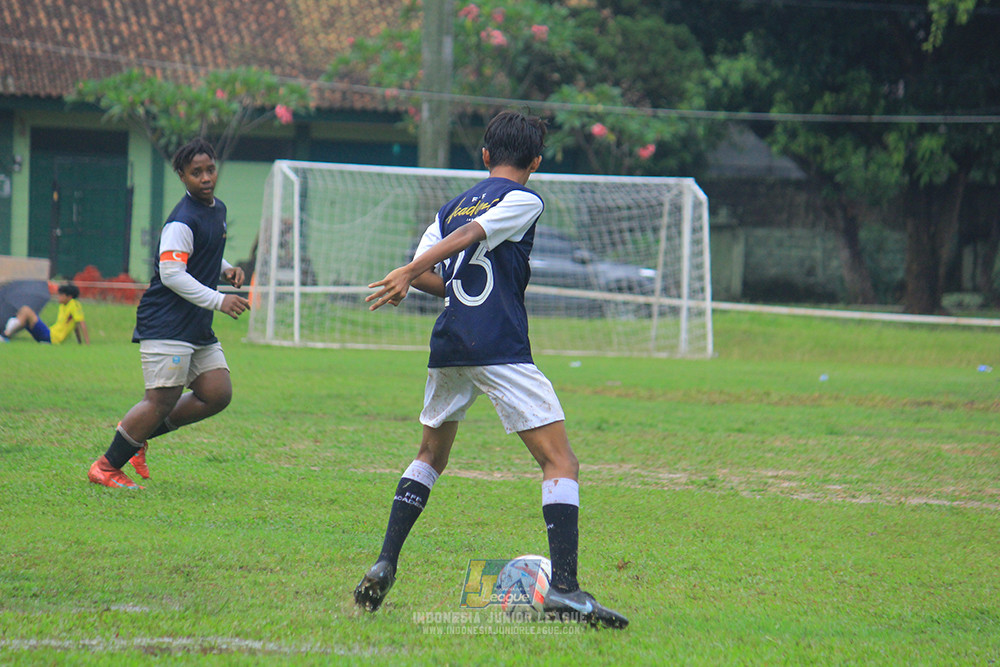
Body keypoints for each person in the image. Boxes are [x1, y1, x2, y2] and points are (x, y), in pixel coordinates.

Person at [355, 110, 629, 629]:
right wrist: (413, 270)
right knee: (561, 463)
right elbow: (471, 239)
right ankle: (565, 590)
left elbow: (437, 274)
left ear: (484, 155)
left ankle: (385, 559)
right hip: (498, 343)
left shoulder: (447, 208)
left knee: (429, 456)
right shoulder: (524, 198)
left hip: (450, 341)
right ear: (537, 162)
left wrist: (412, 271)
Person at [87, 137, 250, 489]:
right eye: (196, 173)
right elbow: (172, 273)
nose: (205, 177)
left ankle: (136, 437)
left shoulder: (216, 209)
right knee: (161, 399)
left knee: (217, 392)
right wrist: (221, 300)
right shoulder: (181, 220)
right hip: (168, 321)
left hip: (194, 324)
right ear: (181, 176)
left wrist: (226, 269)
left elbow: (200, 252)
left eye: (210, 169)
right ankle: (106, 466)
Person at [1, 283, 89, 345]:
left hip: (52, 337)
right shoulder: (64, 305)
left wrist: (87, 343)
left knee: (26, 310)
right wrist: (80, 342)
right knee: (23, 314)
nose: (59, 297)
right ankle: (6, 336)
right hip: (49, 335)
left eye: (61, 295)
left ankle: (5, 335)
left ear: (69, 297)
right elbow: (75, 325)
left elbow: (81, 323)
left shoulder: (74, 304)